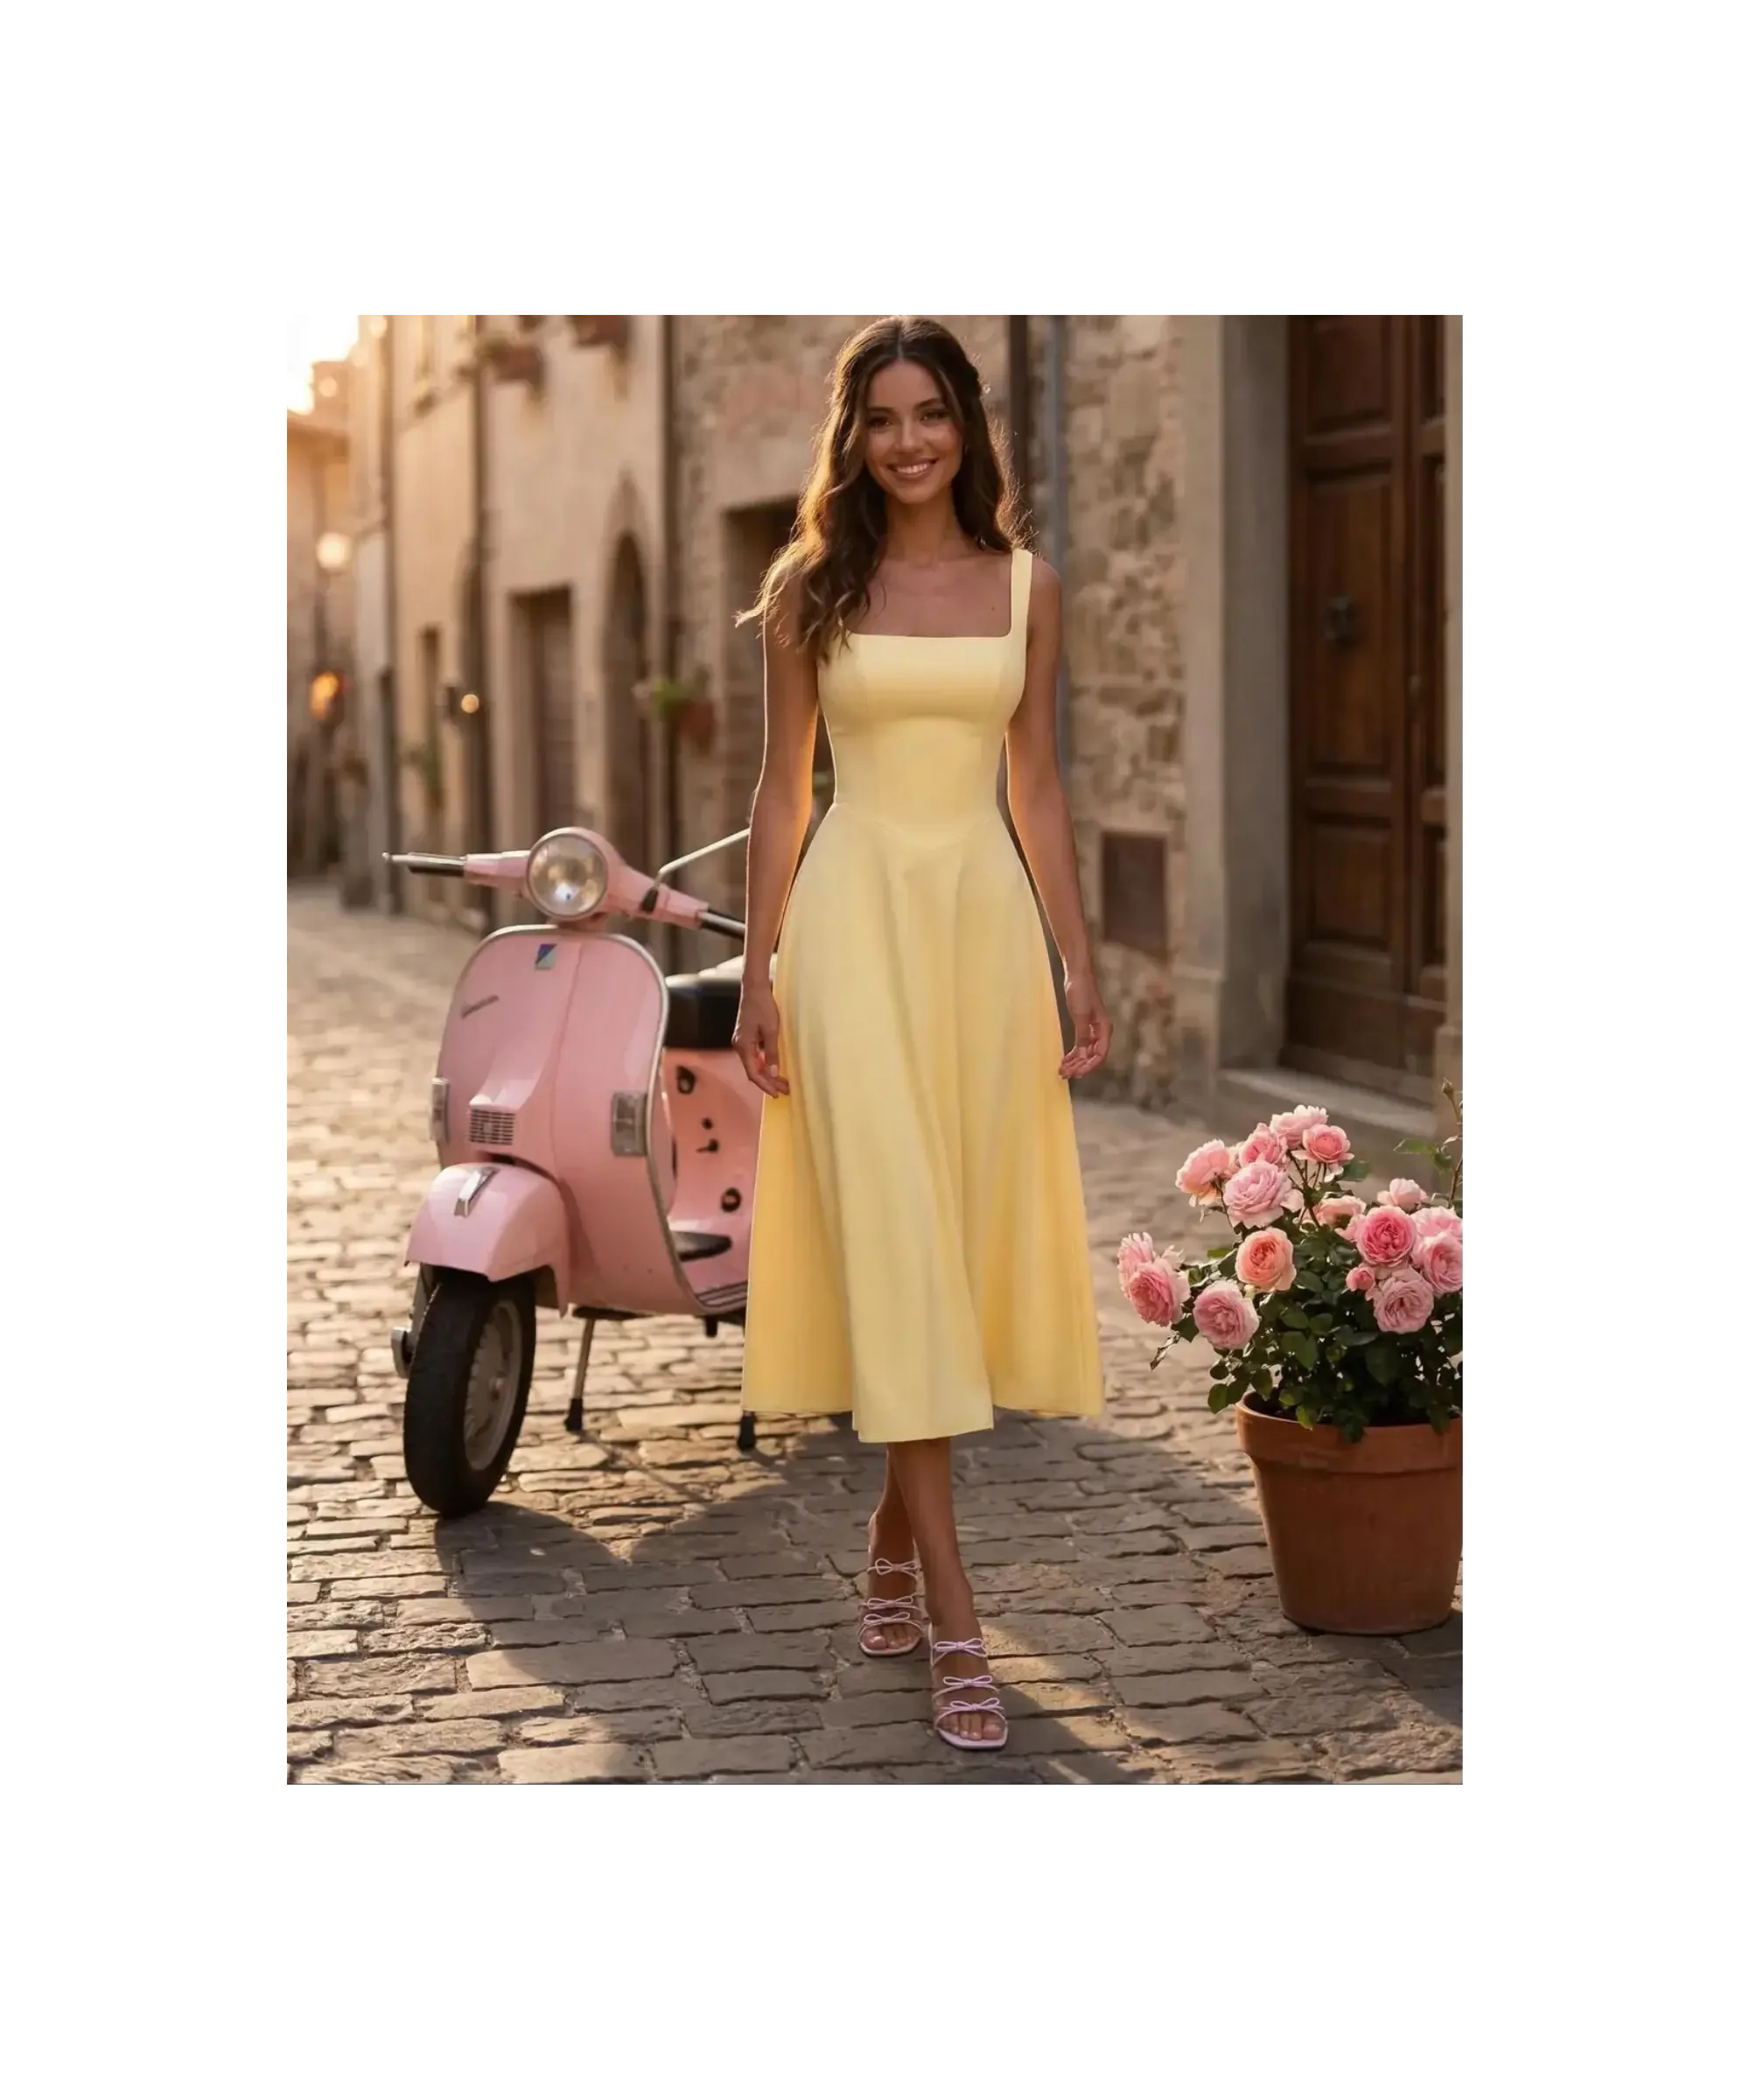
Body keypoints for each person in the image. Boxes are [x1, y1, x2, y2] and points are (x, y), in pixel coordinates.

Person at [733, 315, 1110, 1752]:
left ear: (967, 426)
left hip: (980, 940)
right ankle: (958, 1614)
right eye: (883, 418)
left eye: (931, 414)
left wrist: (1077, 962)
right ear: (855, 435)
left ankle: (893, 1542)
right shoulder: (810, 589)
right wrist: (759, 972)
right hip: (850, 939)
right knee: (897, 1236)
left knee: (951, 1243)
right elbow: (784, 788)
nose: (908, 442)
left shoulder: (1028, 588)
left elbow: (1039, 786)